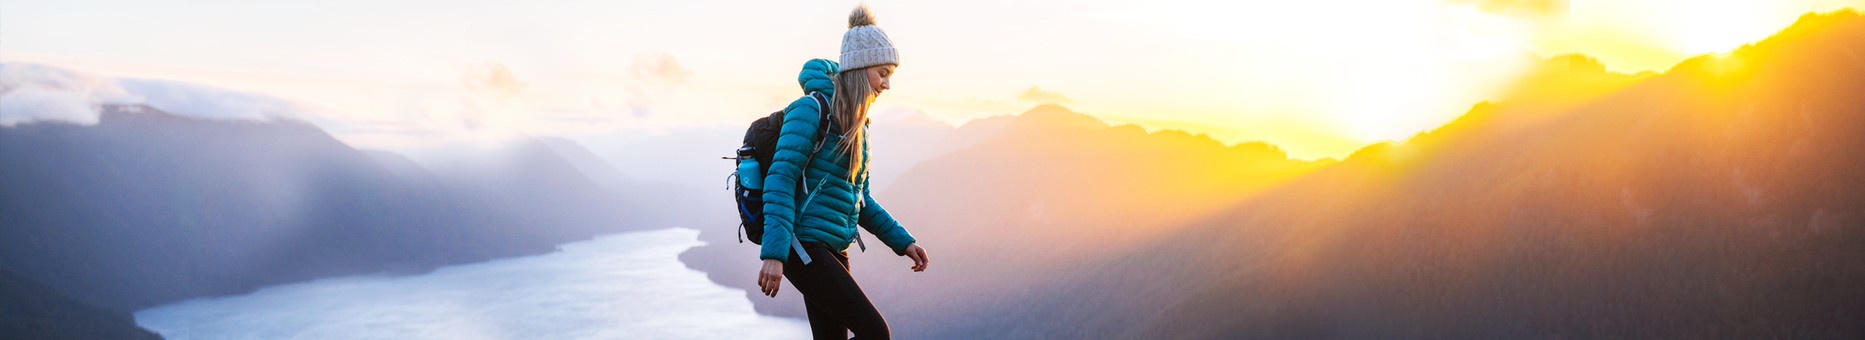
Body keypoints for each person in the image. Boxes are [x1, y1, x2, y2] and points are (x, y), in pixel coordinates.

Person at [756, 5, 929, 340]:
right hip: (801, 245)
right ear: (859, 67)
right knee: (876, 332)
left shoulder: (857, 127)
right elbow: (780, 179)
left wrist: (903, 242)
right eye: (883, 72)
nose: (887, 84)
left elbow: (860, 199)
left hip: (832, 247)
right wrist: (774, 255)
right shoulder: (811, 109)